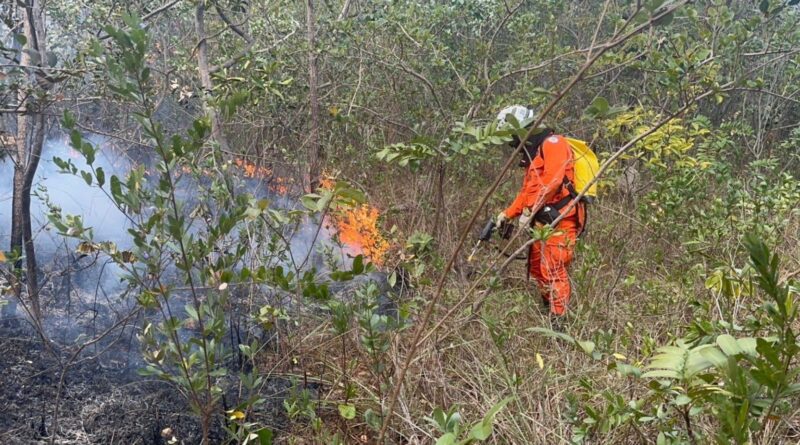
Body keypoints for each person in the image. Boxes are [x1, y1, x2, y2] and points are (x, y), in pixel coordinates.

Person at [495, 106, 585, 320]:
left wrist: (530, 210)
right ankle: (548, 308)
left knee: (553, 269)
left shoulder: (553, 143)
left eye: (512, 137)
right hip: (542, 220)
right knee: (537, 268)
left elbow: (553, 181)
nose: (512, 144)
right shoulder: (534, 154)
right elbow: (528, 191)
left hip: (561, 219)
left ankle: (558, 321)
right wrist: (508, 214)